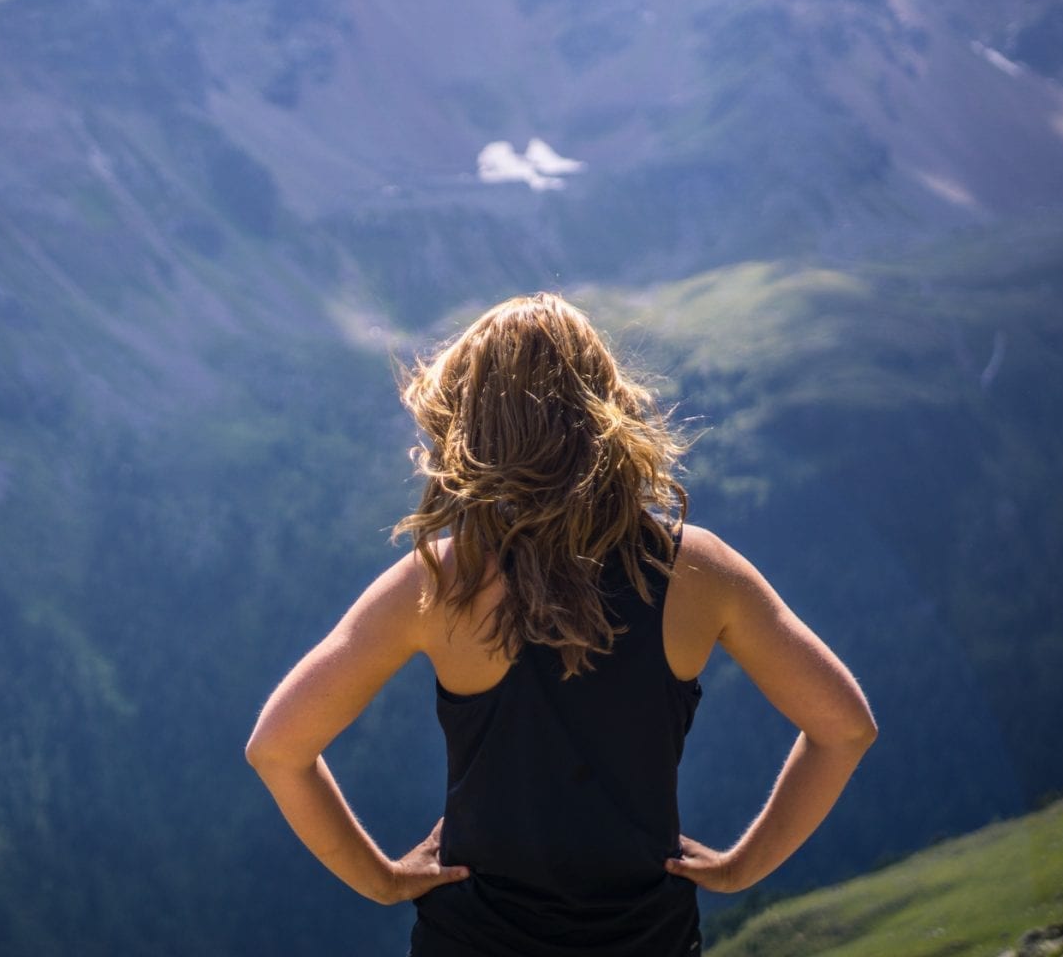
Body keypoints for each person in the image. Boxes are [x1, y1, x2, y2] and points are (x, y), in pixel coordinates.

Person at [245, 292, 876, 954]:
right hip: (647, 938)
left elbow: (278, 748)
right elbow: (845, 727)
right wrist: (743, 866)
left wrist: (381, 880)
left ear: (471, 423)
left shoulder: (441, 581)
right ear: (605, 409)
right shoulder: (694, 568)